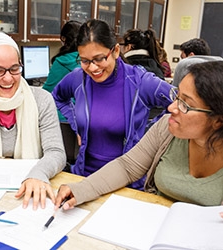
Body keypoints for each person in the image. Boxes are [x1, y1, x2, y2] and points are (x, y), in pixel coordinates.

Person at [55, 60, 223, 209]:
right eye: (177, 97)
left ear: (218, 121)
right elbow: (127, 167)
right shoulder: (165, 128)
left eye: (185, 104)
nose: (172, 107)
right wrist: (82, 189)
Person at [52, 19, 173, 190]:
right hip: (84, 178)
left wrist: (151, 134)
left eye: (99, 59)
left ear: (116, 51)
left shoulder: (140, 81)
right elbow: (57, 97)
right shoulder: (78, 78)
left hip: (126, 185)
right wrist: (75, 123)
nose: (93, 68)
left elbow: (181, 103)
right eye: (85, 60)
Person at [0, 31, 66, 210]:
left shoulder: (41, 99)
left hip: (30, 193)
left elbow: (56, 151)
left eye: (14, 69)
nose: (8, 78)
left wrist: (39, 174)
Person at [43, 20, 82, 121]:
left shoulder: (62, 61)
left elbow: (46, 92)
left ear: (64, 39)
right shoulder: (87, 60)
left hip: (62, 118)